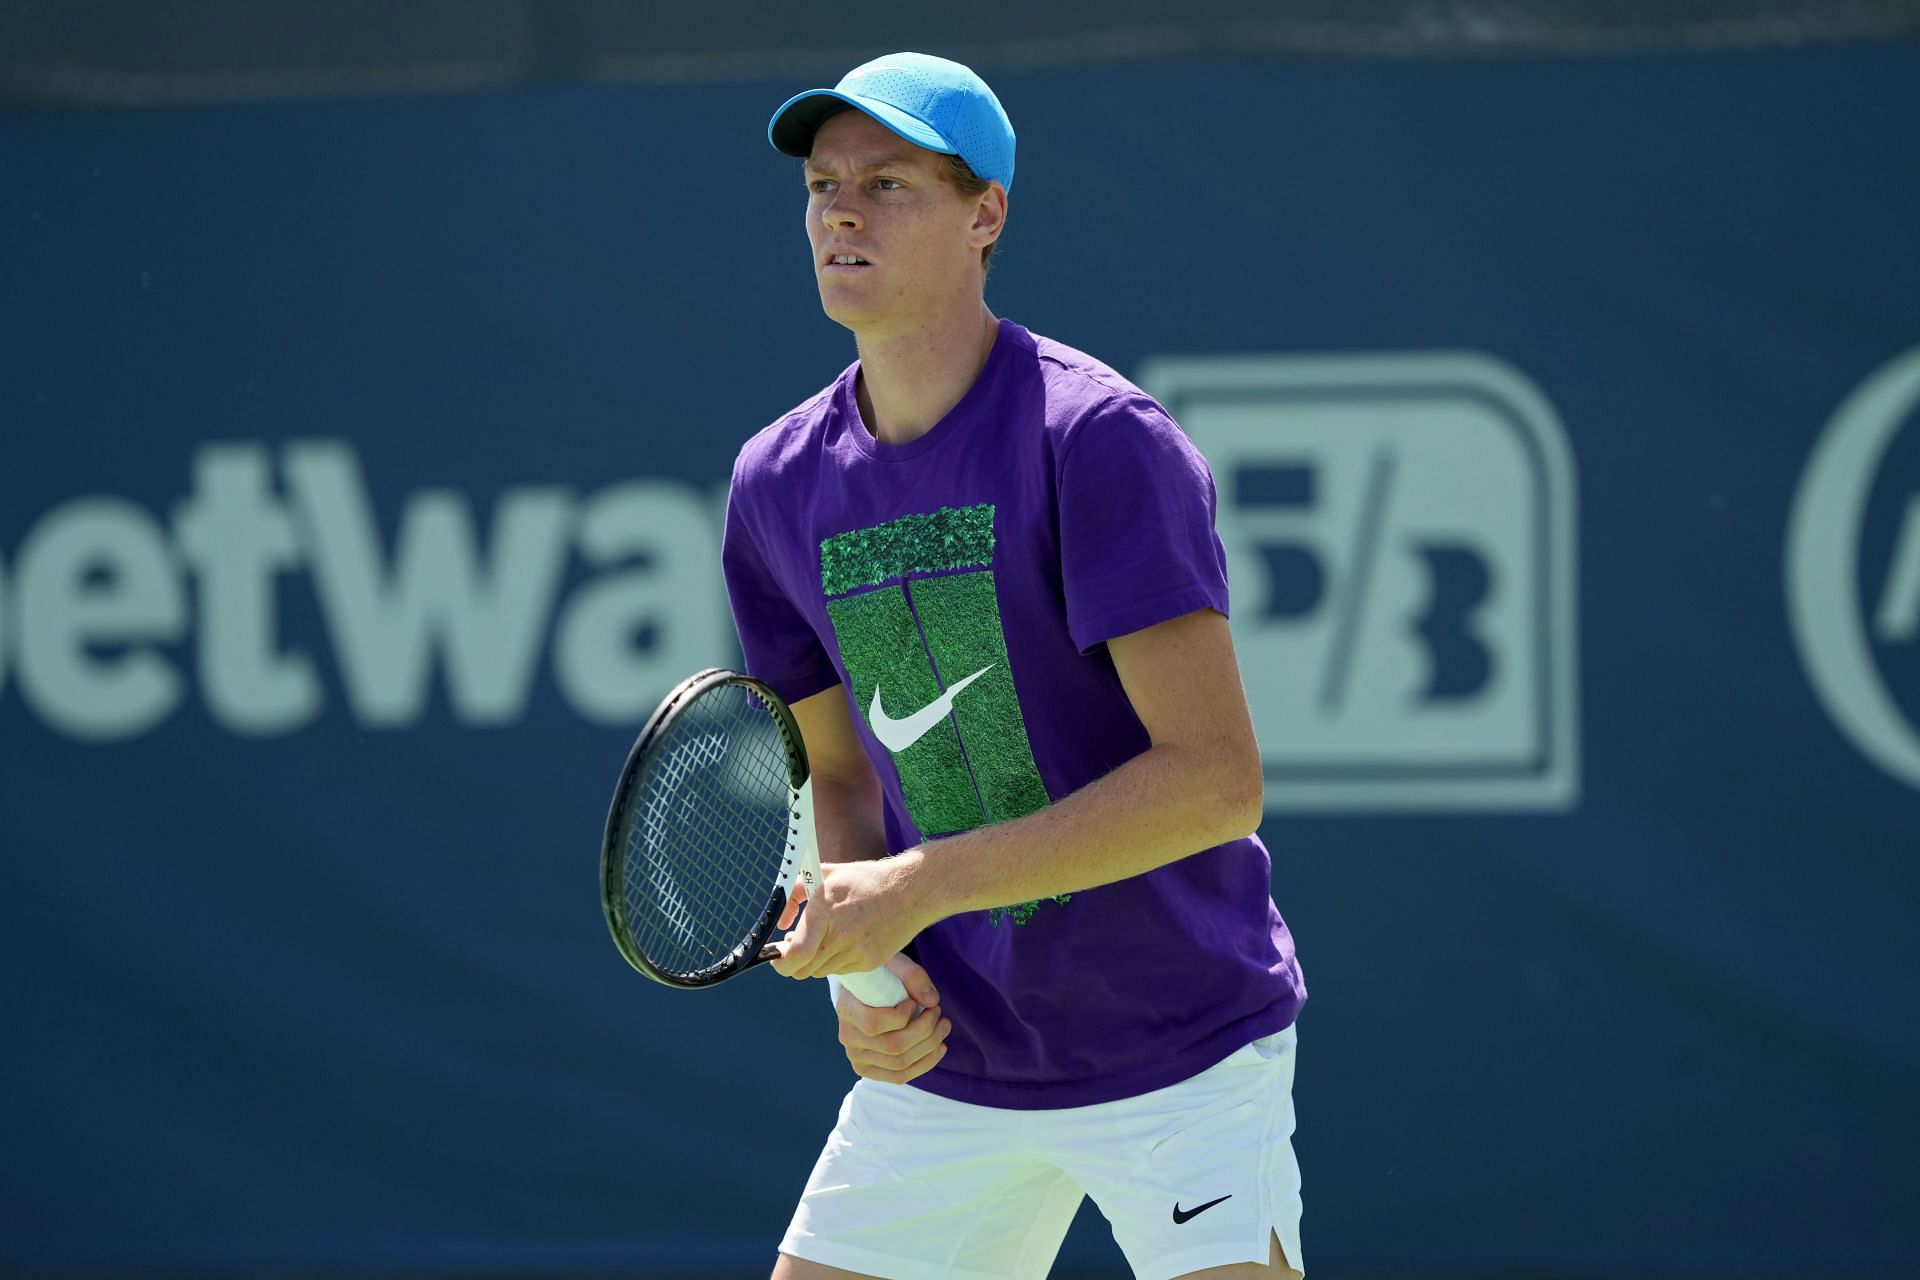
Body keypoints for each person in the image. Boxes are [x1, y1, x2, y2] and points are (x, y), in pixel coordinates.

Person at [721, 52, 1308, 1280]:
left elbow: (1215, 782)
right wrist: (867, 981)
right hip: (958, 1061)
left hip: (1181, 1045)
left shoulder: (1096, 441)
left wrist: (919, 886)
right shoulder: (774, 486)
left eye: (888, 183)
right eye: (824, 184)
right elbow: (836, 775)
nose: (839, 210)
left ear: (985, 213)